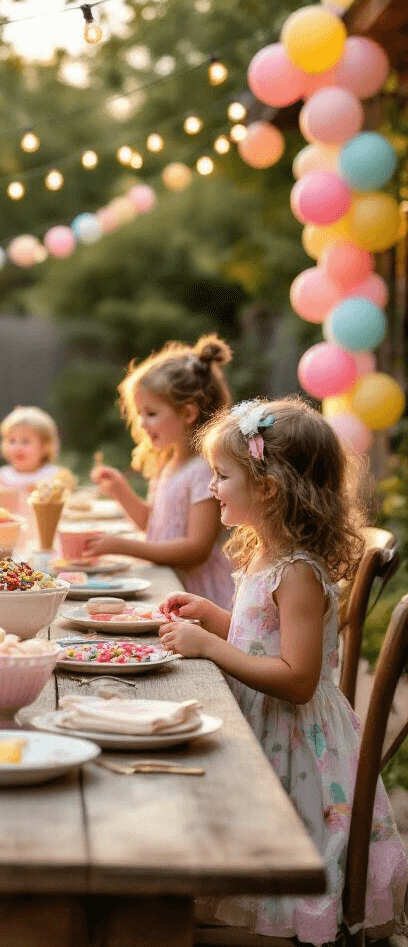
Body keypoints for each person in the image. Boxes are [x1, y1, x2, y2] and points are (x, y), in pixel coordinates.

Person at [160, 398, 407, 944]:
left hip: (293, 741)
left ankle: (280, 924)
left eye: (222, 477)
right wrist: (216, 619)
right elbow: (259, 638)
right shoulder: (272, 556)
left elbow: (297, 678)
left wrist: (208, 647)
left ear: (267, 489)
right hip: (269, 722)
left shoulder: (296, 572)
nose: (212, 488)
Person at [87, 335, 235, 609]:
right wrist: (121, 491)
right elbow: (154, 525)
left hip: (200, 597)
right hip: (172, 586)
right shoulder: (170, 463)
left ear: (188, 413)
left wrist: (123, 546)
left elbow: (196, 549)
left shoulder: (203, 470)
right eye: (139, 413)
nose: (142, 423)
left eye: (151, 413)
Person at [0, 406, 62, 491]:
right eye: (12, 441)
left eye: (25, 441)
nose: (18, 448)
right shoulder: (1, 477)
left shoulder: (55, 476)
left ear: (45, 446)